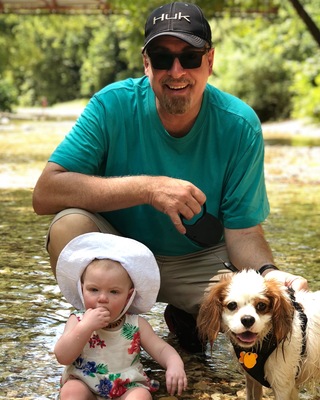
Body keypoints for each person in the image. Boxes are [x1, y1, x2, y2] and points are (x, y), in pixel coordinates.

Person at [33, 2, 308, 353]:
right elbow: (45, 193)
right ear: (146, 63)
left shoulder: (240, 125)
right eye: (162, 57)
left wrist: (270, 274)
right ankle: (107, 340)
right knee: (66, 226)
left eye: (190, 57)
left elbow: (243, 233)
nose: (176, 71)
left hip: (198, 262)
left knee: (262, 326)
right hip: (121, 258)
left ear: (209, 61)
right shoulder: (110, 105)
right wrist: (147, 188)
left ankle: (187, 316)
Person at [54, 232, 187, 399]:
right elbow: (62, 356)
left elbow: (160, 349)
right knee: (71, 390)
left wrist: (175, 364)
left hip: (125, 386)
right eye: (93, 290)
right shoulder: (78, 320)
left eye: (114, 292)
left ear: (128, 296)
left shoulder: (135, 324)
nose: (102, 298)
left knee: (140, 396)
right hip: (84, 382)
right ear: (82, 289)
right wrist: (85, 327)